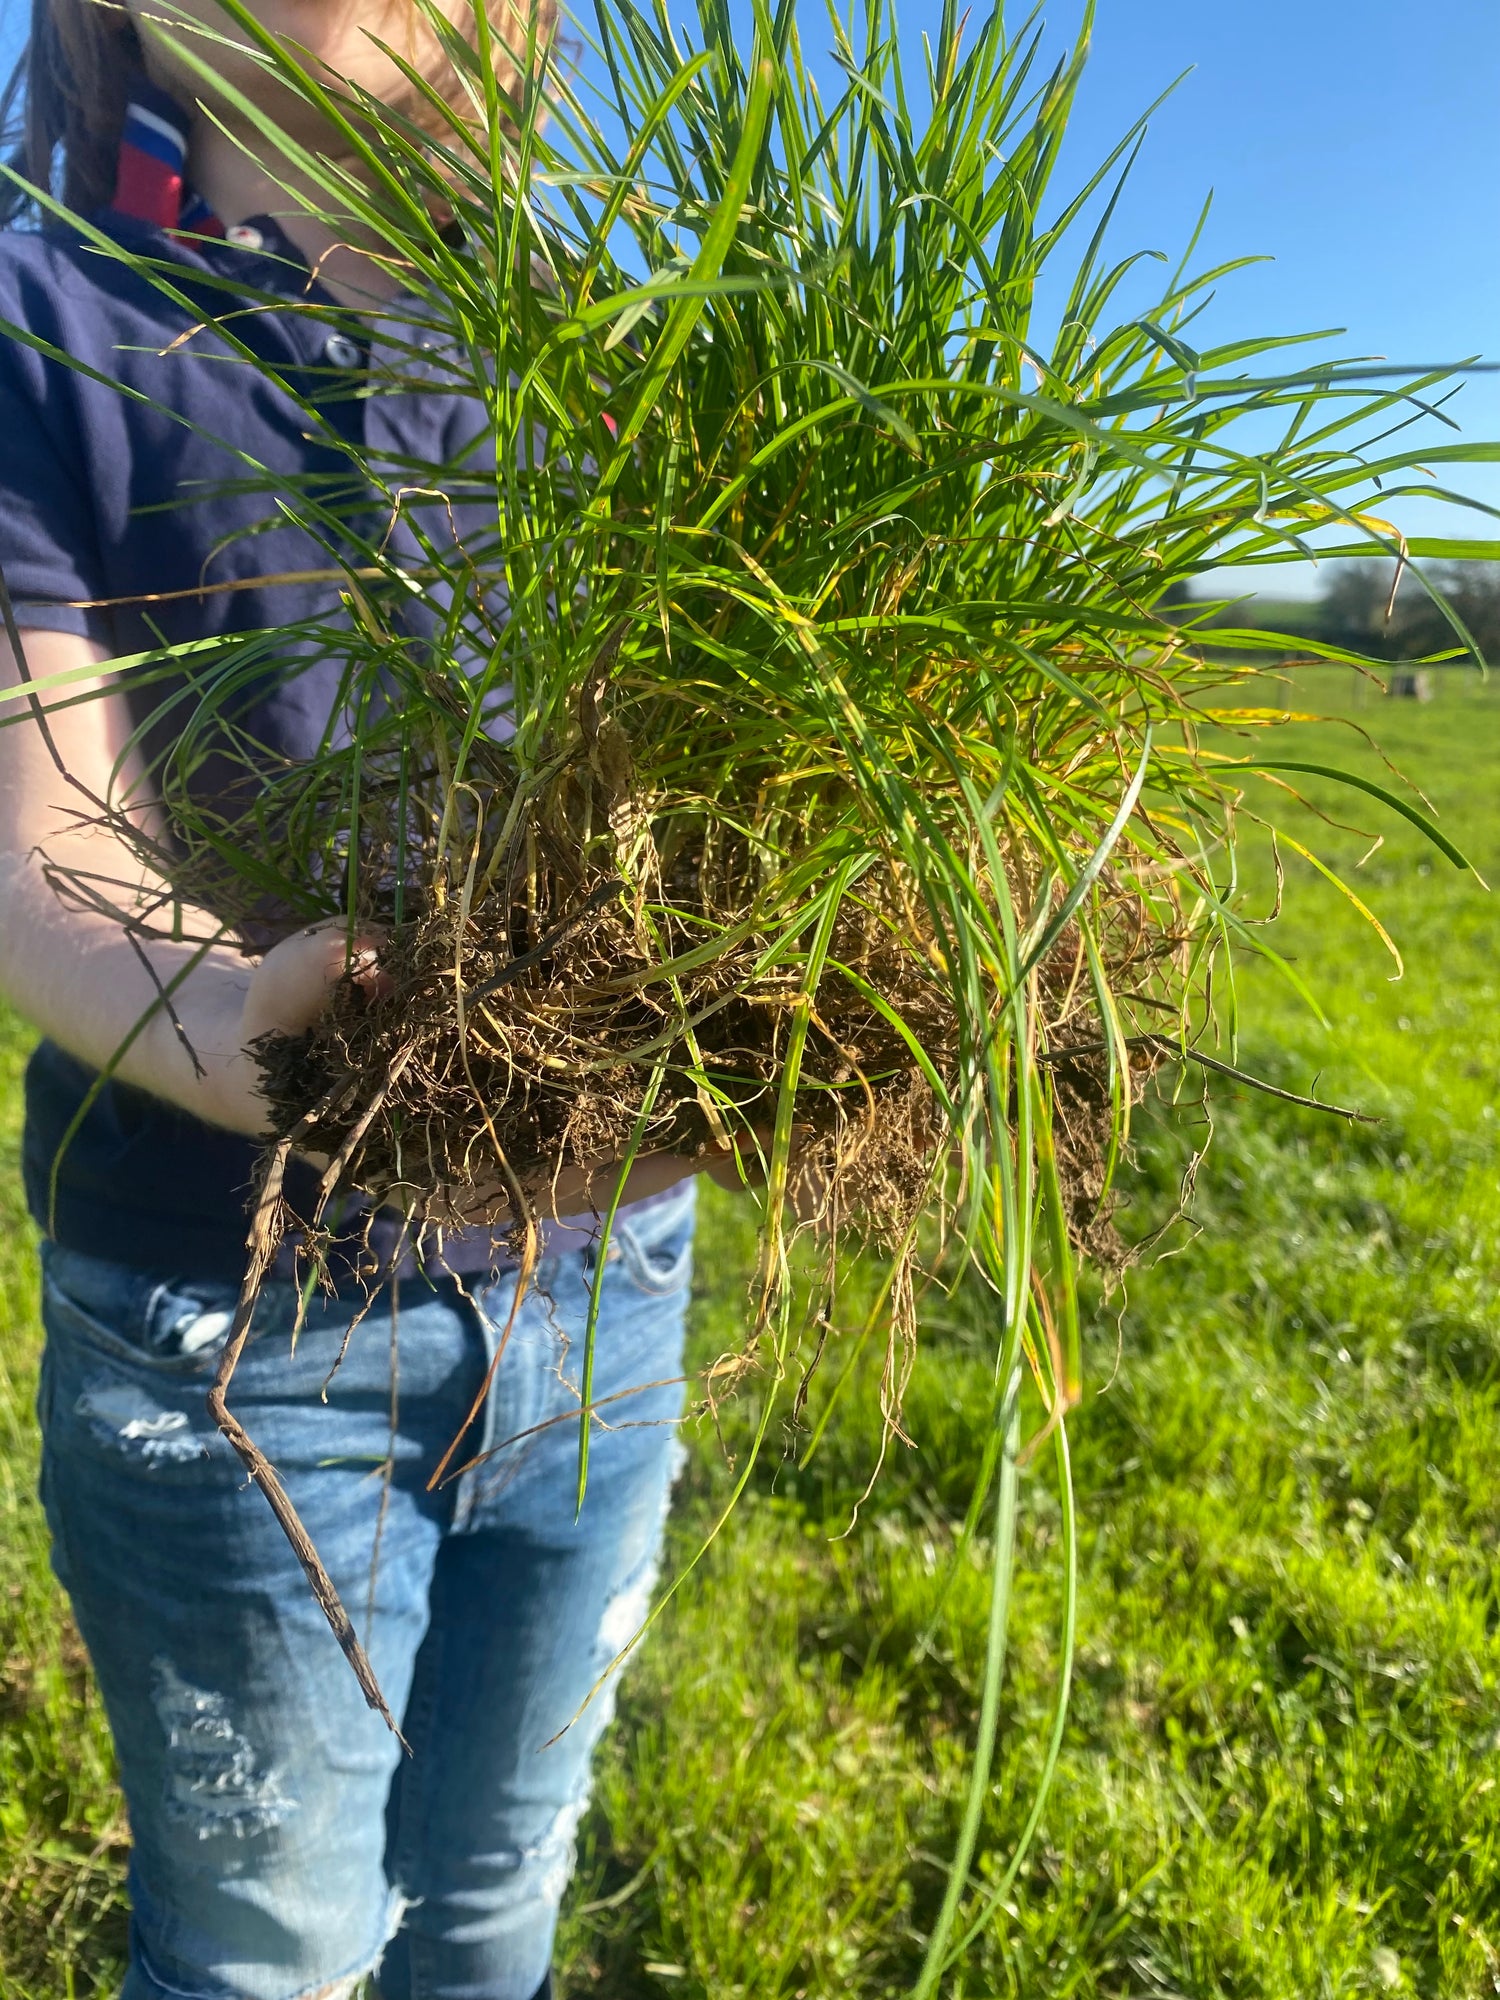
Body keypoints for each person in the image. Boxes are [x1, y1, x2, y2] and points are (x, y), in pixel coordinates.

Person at [0, 1, 709, 1994]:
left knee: (492, 1906)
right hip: (232, 1324)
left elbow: (684, 761)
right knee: (267, 1951)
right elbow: (47, 840)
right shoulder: (47, 316)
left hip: (609, 1294)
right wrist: (265, 1037)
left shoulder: (608, 346)